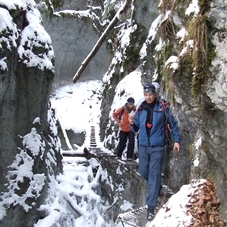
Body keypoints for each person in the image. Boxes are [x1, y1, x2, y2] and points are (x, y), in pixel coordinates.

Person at [128, 83, 180, 220]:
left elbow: (173, 124)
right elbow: (136, 128)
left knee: (154, 173)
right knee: (144, 172)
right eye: (146, 94)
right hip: (143, 145)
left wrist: (177, 140)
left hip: (157, 146)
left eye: (150, 94)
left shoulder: (163, 107)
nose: (148, 97)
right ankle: (156, 186)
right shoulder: (140, 109)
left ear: (155, 94)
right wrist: (132, 123)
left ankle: (151, 207)